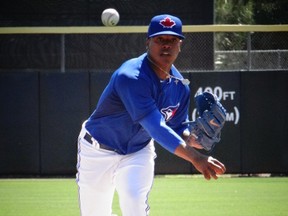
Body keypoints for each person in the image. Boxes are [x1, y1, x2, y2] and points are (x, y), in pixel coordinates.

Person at [76, 14, 226, 216]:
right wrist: (195, 157)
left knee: (134, 204)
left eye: (172, 40)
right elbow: (156, 127)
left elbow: (177, 127)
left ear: (180, 44)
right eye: (160, 40)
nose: (166, 45)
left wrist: (192, 139)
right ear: (148, 42)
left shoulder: (180, 87)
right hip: (97, 150)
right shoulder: (131, 76)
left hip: (137, 152)